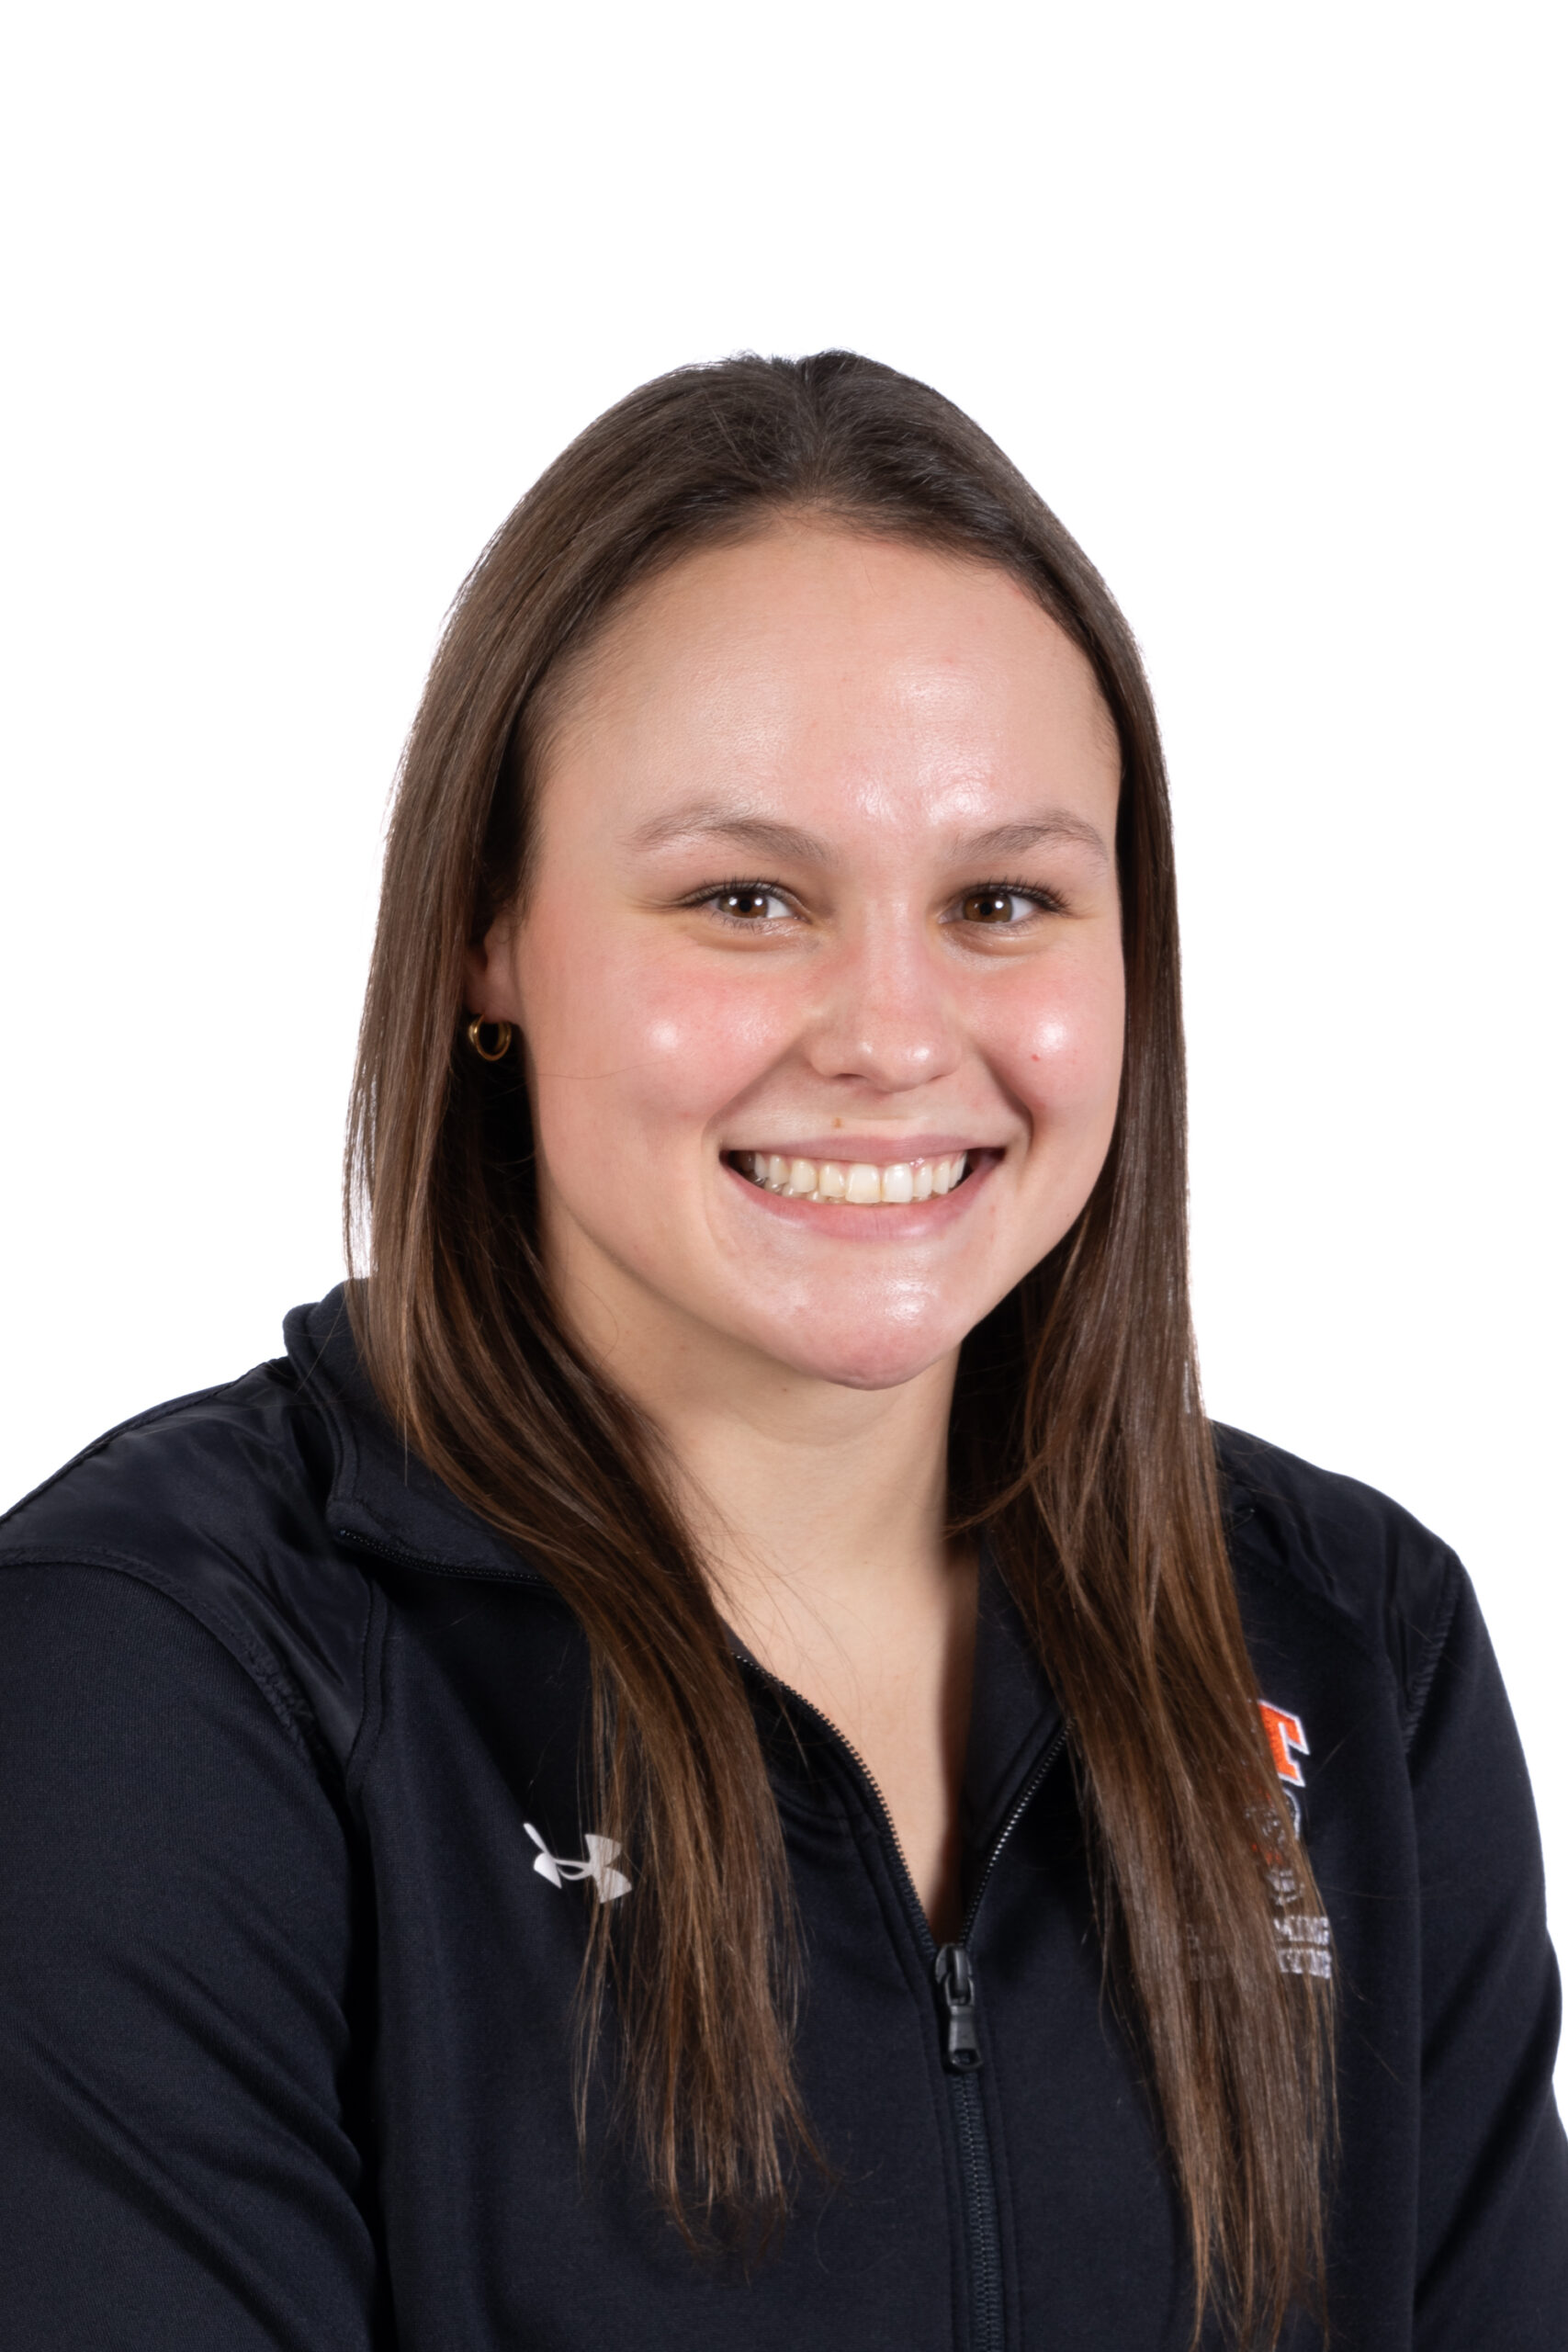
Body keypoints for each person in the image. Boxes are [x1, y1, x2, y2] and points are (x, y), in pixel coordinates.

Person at [1, 352, 1562, 2352]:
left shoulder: (1354, 1646)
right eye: (744, 897)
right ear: (490, 931)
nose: (893, 1033)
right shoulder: (165, 1676)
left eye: (1001, 897)